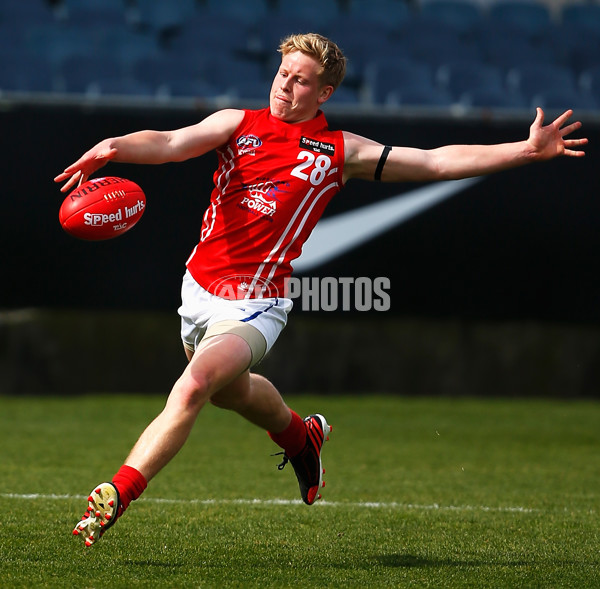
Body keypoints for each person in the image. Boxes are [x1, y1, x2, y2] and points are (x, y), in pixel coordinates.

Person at [55, 33, 587, 547]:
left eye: (301, 80)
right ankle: (300, 437)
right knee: (232, 394)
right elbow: (171, 144)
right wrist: (114, 146)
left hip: (257, 304)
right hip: (198, 291)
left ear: (324, 92)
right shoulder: (237, 124)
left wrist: (523, 150)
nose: (285, 86)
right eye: (283, 73)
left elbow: (435, 160)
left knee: (194, 387)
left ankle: (116, 494)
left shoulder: (339, 150)